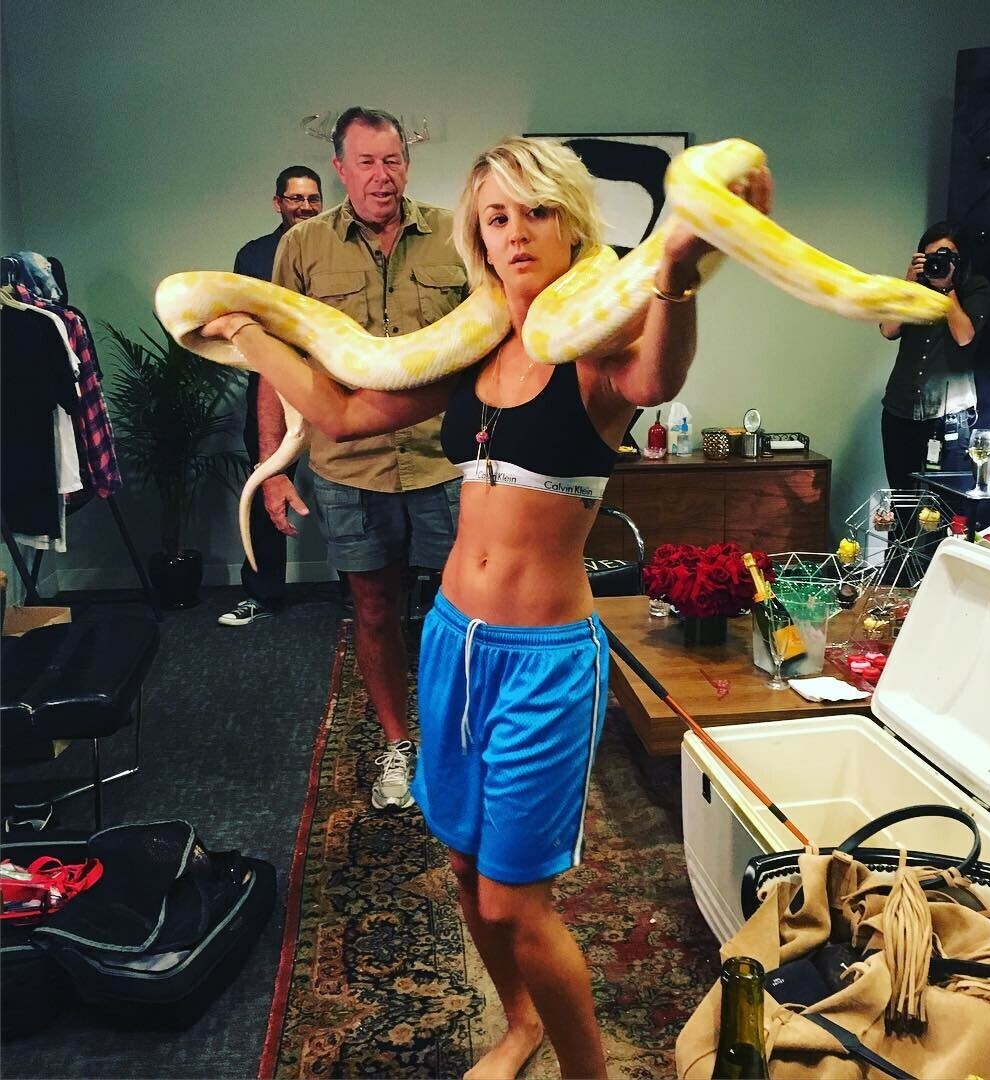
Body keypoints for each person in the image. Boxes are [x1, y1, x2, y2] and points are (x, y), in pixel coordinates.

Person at [202, 136, 772, 1080]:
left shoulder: (592, 349)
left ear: (572, 223)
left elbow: (656, 381)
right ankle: (519, 1025)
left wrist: (675, 275)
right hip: (452, 640)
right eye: (497, 217)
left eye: (536, 211)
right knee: (464, 867)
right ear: (478, 234)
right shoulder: (471, 347)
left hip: (545, 657)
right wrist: (251, 338)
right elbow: (343, 413)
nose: (516, 232)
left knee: (515, 902)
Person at [262, 107, 466, 812]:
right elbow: (276, 367)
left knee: (464, 611)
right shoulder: (302, 248)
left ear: (407, 163)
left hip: (446, 461)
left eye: (393, 160)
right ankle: (397, 743)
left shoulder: (457, 234)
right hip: (348, 467)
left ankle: (456, 742)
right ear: (340, 169)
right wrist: (275, 468)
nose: (383, 176)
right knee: (373, 608)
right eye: (367, 163)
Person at [219, 165, 323, 628]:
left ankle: (358, 593)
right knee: (268, 483)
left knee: (353, 488)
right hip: (270, 389)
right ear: (278, 202)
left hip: (333, 386)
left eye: (313, 198)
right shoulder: (254, 255)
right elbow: (241, 325)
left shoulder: (336, 250)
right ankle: (262, 595)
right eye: (295, 198)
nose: (305, 207)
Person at [878, 221, 990, 489]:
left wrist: (946, 289)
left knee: (946, 501)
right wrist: (907, 286)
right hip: (900, 410)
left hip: (948, 416)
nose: (937, 263)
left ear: (959, 259)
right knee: (902, 499)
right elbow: (888, 329)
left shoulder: (975, 288)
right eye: (930, 257)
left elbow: (964, 336)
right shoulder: (913, 290)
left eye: (945, 256)